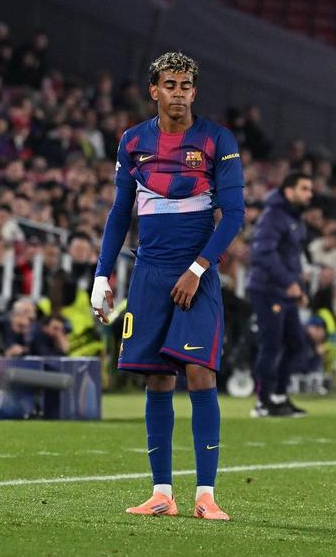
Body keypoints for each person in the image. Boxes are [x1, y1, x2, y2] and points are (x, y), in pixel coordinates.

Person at [91, 52, 245, 520]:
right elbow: (120, 213)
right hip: (150, 273)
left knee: (200, 371)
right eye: (170, 84)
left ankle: (206, 495)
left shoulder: (217, 140)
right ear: (154, 90)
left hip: (197, 272)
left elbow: (234, 214)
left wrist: (198, 269)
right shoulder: (133, 141)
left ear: (194, 92)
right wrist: (101, 275)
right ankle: (162, 493)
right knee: (157, 377)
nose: (178, 93)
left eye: (186, 85)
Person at [247, 172, 313, 417]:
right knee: (271, 345)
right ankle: (263, 402)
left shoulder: (293, 217)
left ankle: (279, 396)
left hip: (286, 292)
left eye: (310, 189)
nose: (309, 194)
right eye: (304, 188)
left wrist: (299, 289)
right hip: (267, 290)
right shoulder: (273, 216)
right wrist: (289, 282)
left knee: (297, 345)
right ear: (289, 190)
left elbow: (291, 257)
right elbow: (262, 254)